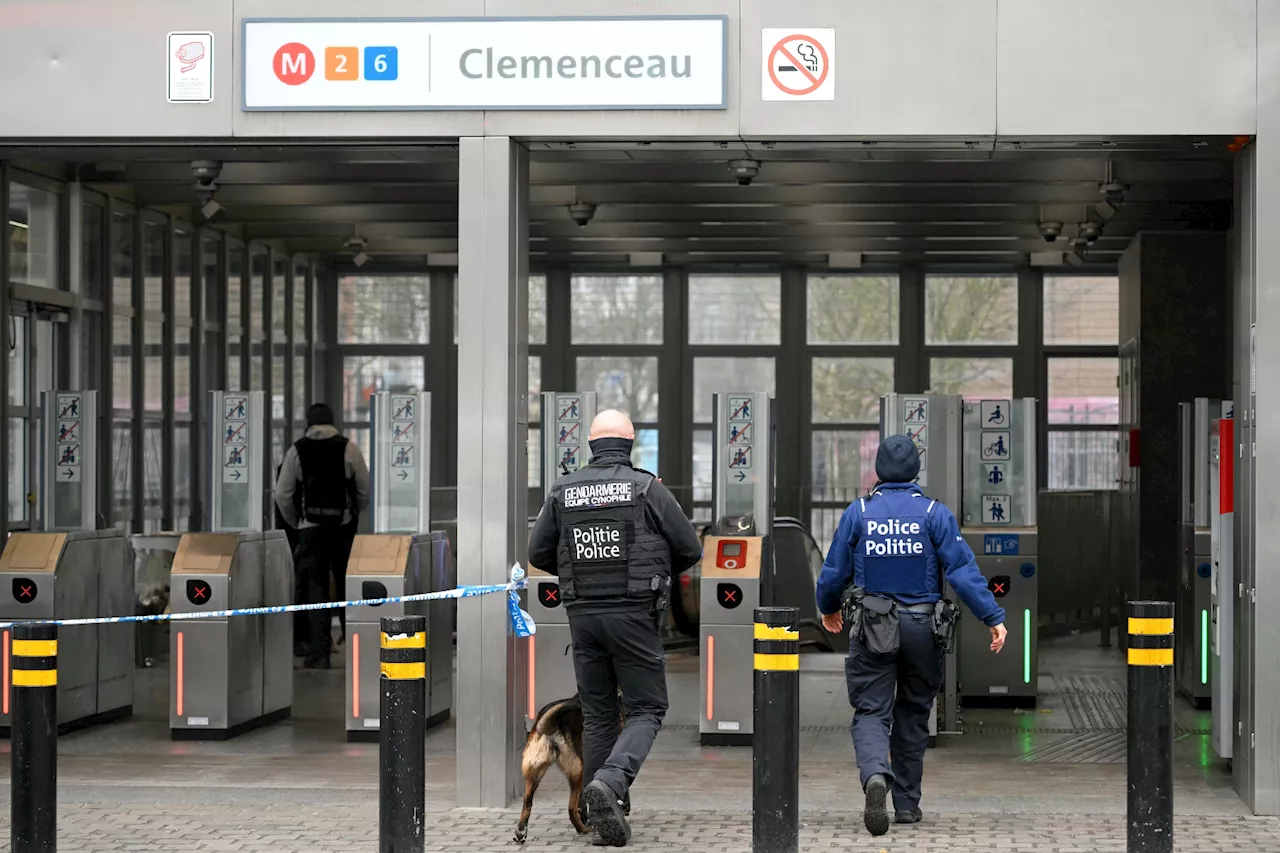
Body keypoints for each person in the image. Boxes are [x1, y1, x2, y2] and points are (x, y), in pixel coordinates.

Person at [815, 434, 1007, 837]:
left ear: (878, 470)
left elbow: (834, 571)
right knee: (914, 713)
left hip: (872, 626)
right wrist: (992, 617)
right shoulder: (935, 513)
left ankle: (874, 776)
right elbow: (962, 571)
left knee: (871, 710)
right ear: (916, 470)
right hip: (923, 627)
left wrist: (829, 607)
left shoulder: (860, 512)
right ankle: (906, 805)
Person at [527, 409, 703, 847]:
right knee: (647, 708)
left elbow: (539, 552)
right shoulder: (646, 488)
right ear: (629, 444)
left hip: (583, 615)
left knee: (599, 711)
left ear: (590, 444)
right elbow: (690, 547)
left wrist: (577, 570)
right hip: (634, 614)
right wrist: (655, 569)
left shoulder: (563, 490)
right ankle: (610, 783)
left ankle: (600, 808)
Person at [275, 403, 369, 669]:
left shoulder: (297, 450)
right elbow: (364, 487)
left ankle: (320, 653)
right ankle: (355, 651)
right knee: (346, 586)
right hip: (342, 527)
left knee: (315, 590)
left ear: (308, 422)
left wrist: (297, 521)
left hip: (310, 530)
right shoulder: (348, 447)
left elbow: (282, 494)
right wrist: (354, 511)